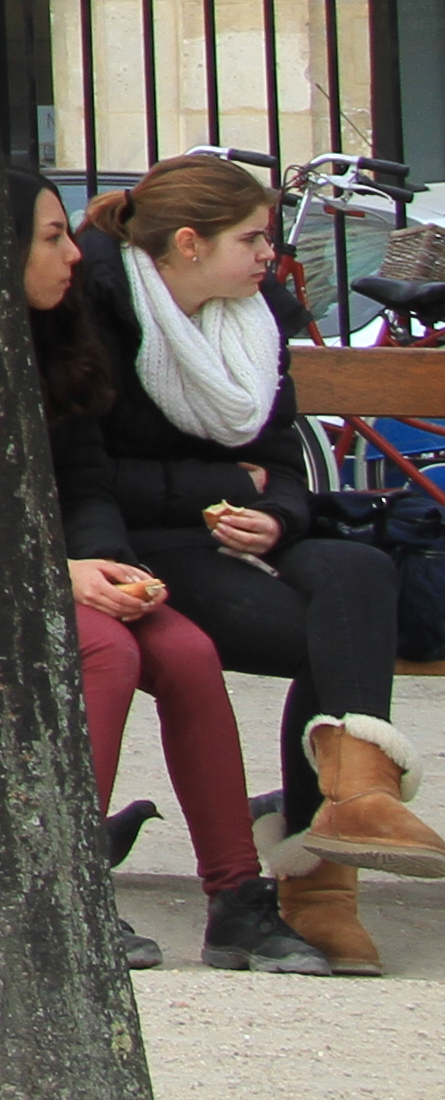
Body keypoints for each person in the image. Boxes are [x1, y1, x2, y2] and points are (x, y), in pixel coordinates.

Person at [65, 153, 443, 975]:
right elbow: (86, 473)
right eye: (254, 237)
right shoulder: (97, 304)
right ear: (190, 245)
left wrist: (274, 516)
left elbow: (288, 467)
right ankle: (318, 873)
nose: (270, 254)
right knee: (331, 638)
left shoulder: (257, 315)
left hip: (232, 538)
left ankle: (346, 826)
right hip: (144, 546)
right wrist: (218, 486)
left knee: (358, 574)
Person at [31, 178, 327, 970]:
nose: (75, 250)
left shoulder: (66, 330)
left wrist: (115, 567)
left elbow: (85, 476)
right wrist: (62, 568)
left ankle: (236, 902)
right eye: (52, 237)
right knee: (111, 653)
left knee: (188, 653)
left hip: (80, 558)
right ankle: (69, 895)